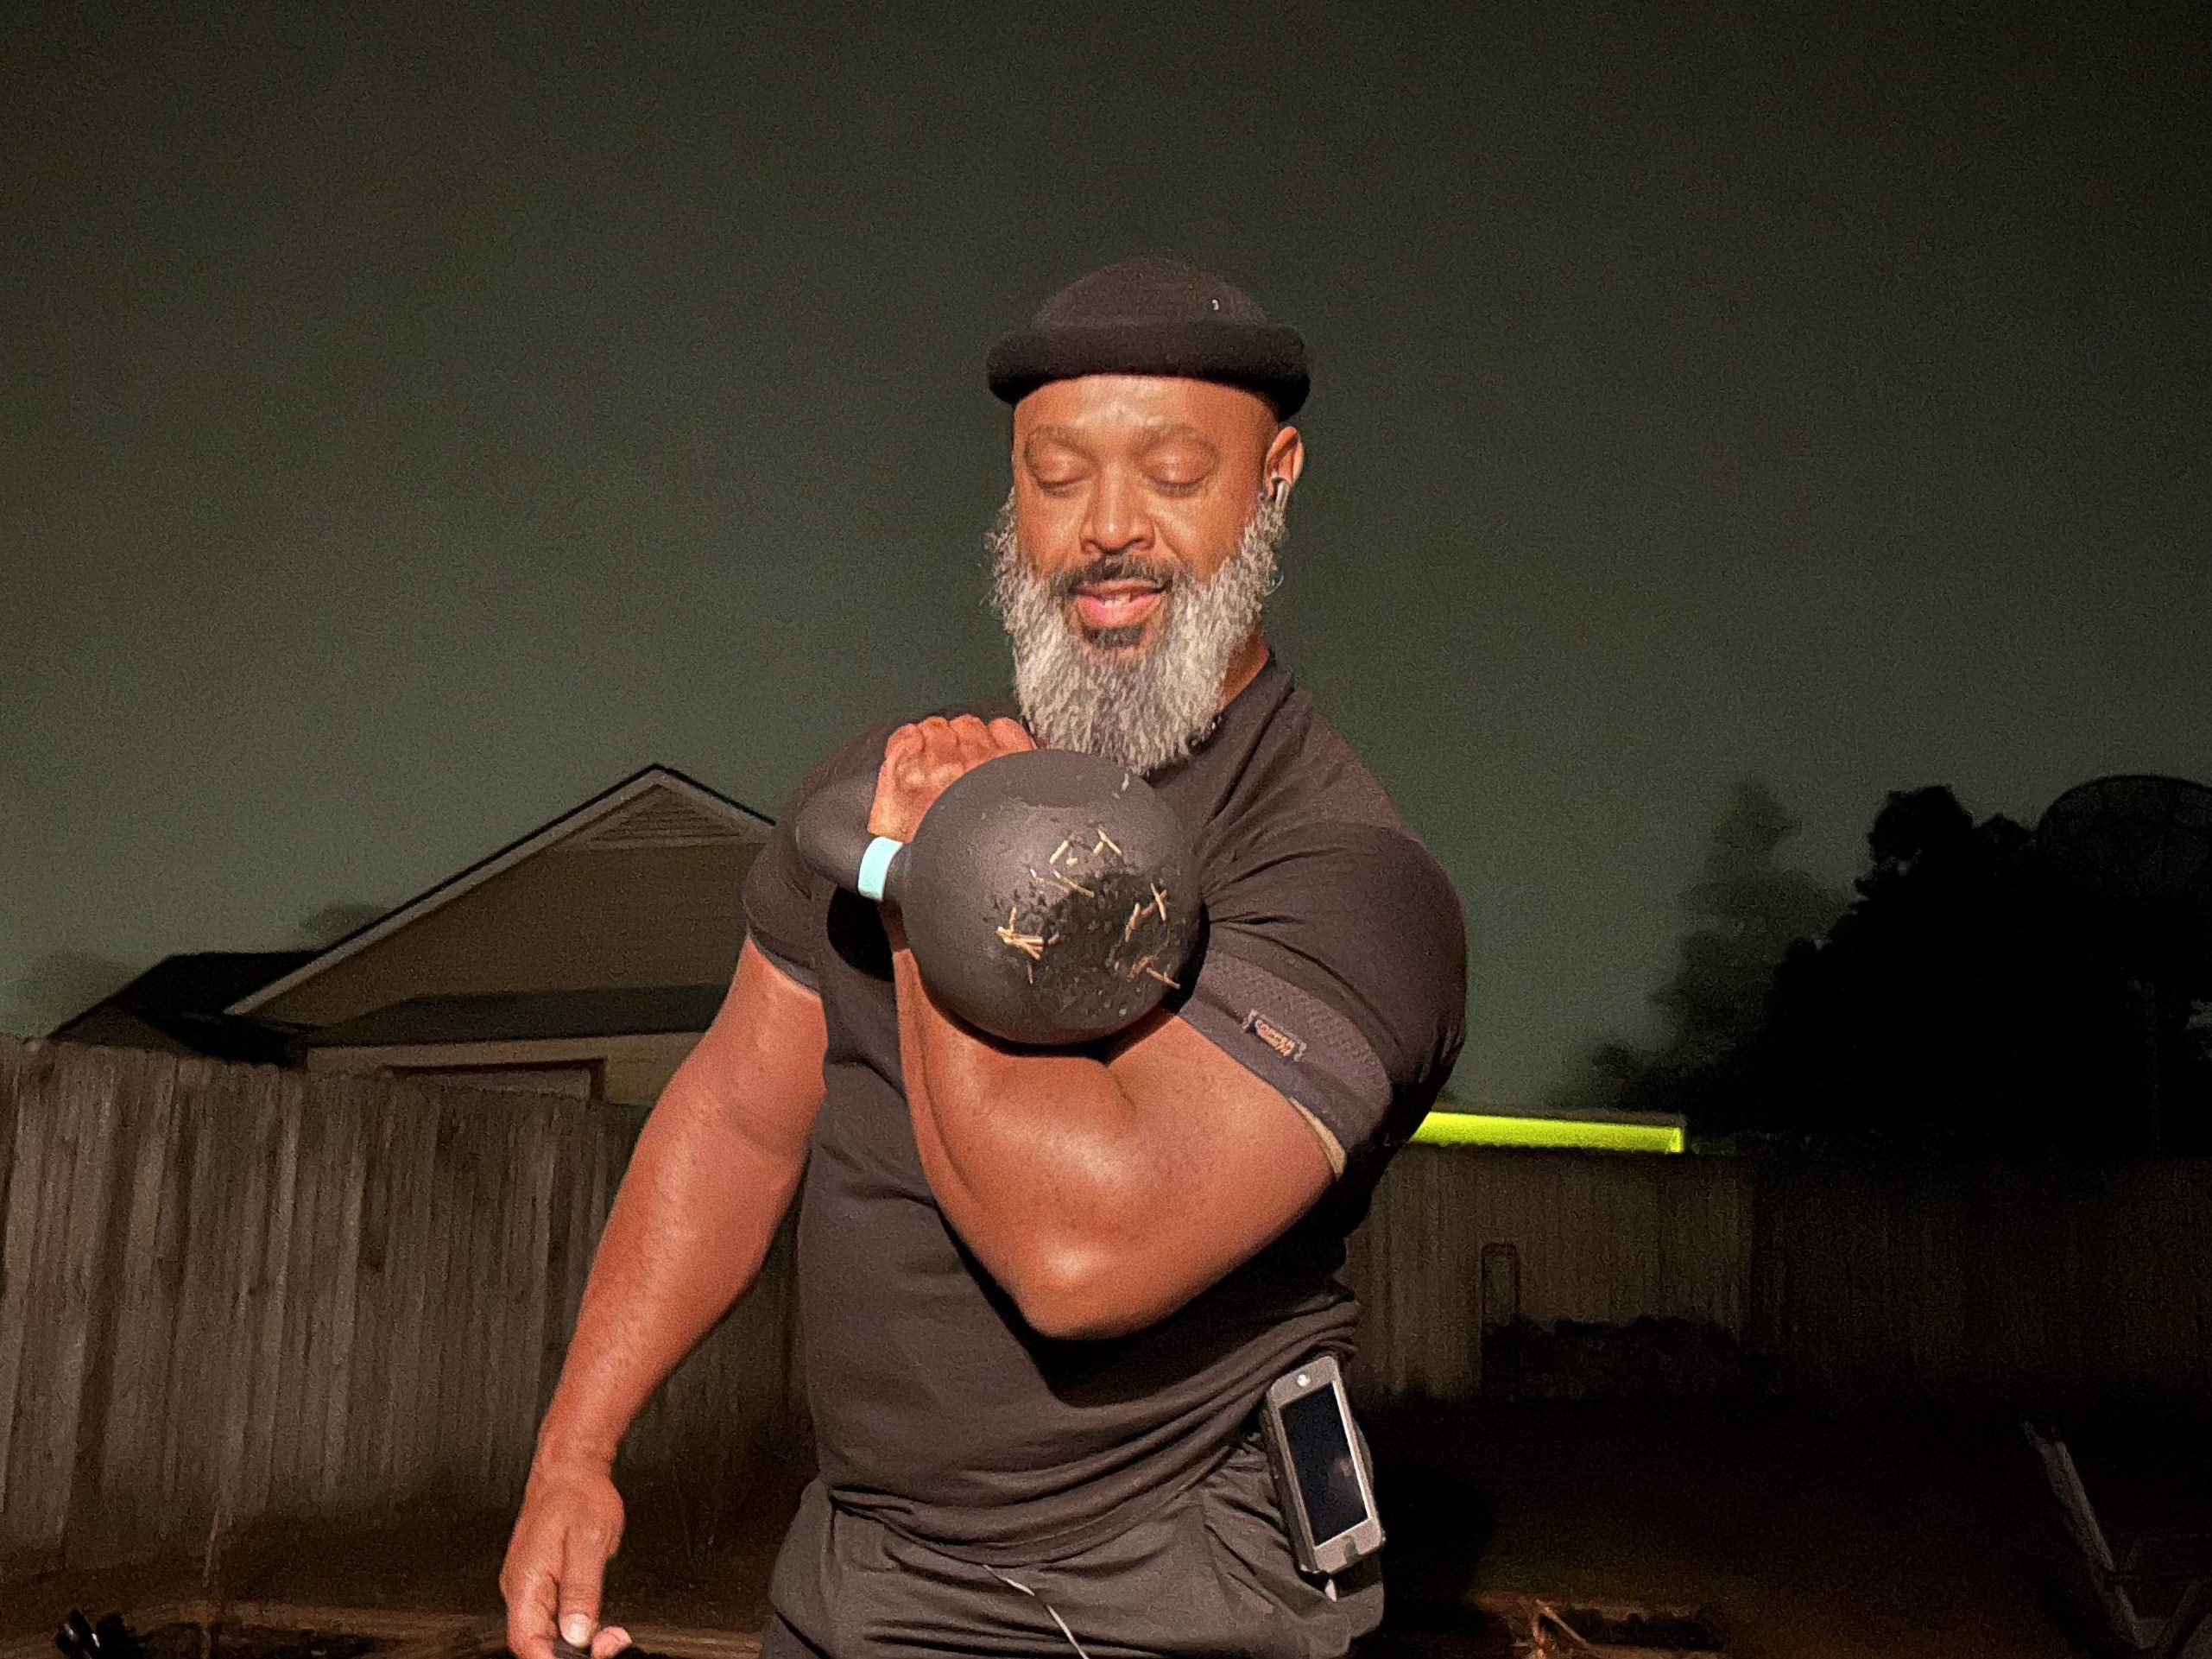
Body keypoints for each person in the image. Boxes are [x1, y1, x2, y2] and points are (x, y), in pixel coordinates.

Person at [501, 258, 1467, 1659]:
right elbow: (737, 1116)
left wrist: (924, 878)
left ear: (1275, 477)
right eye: (1058, 474)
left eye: (1175, 472)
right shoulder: (883, 781)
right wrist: (573, 1450)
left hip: (1163, 1572)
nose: (1109, 528)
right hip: (860, 1561)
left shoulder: (1342, 875)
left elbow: (1081, 1255)